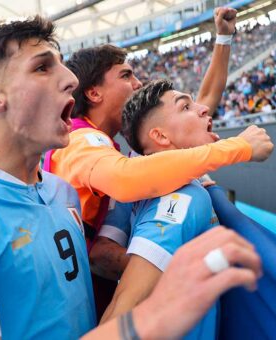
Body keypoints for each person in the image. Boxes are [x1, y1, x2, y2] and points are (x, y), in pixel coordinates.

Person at [0, 16, 262, 339]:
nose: (69, 79)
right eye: (42, 68)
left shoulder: (61, 192)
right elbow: (125, 181)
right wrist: (151, 312)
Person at [47, 7, 273, 317]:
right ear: (94, 92)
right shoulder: (81, 139)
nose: (138, 83)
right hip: (83, 304)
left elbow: (198, 109)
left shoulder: (112, 146)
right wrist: (239, 148)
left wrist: (222, 38)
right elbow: (126, 182)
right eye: (126, 75)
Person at [101, 81, 230, 335]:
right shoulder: (183, 198)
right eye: (185, 107)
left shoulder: (165, 185)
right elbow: (125, 306)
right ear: (160, 136)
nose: (204, 109)